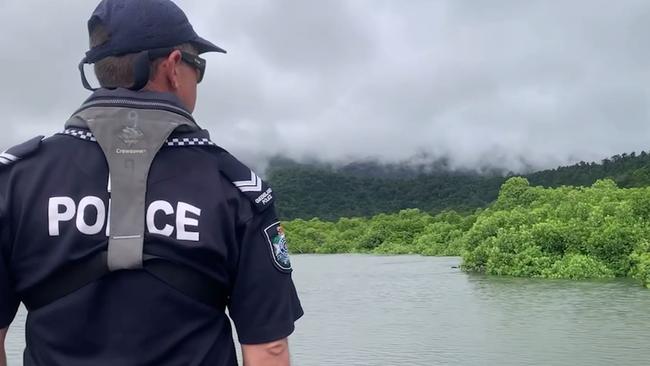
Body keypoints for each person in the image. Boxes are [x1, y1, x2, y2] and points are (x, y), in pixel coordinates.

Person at [0, 0, 303, 365]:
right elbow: (268, 349)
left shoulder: (15, 182)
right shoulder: (236, 190)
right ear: (174, 67)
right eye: (199, 67)